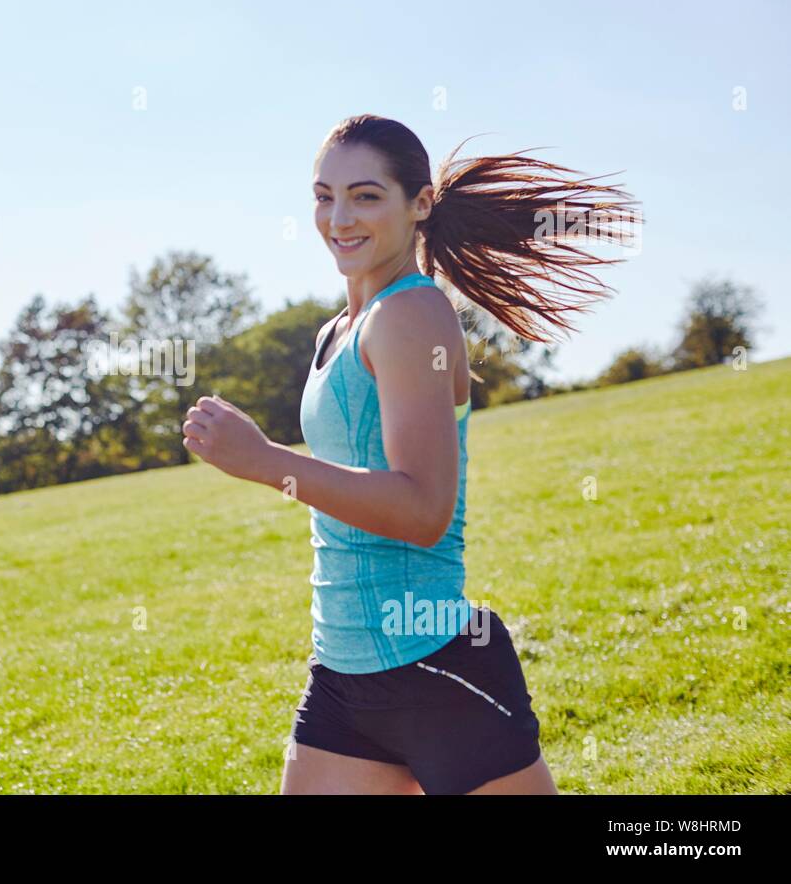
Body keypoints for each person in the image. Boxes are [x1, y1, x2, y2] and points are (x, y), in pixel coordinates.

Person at [181, 114, 640, 794]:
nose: (339, 217)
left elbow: (424, 508)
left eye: (366, 196)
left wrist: (263, 460)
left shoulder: (412, 315)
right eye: (324, 195)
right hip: (344, 674)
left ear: (419, 204)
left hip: (434, 672)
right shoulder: (338, 331)